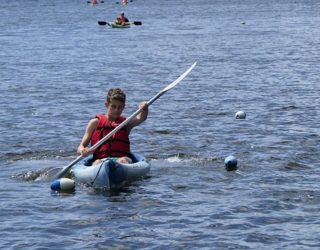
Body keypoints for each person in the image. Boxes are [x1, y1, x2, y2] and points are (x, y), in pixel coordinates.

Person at [77, 88, 148, 165]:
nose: (116, 110)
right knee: (97, 162)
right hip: (101, 160)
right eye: (113, 106)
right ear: (107, 105)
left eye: (119, 107)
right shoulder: (94, 123)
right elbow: (81, 146)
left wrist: (144, 108)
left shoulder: (126, 123)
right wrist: (83, 151)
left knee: (123, 160)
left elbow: (141, 118)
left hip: (122, 158)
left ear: (124, 107)